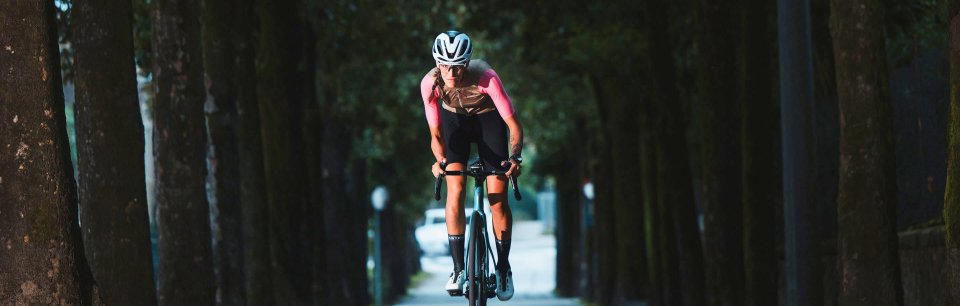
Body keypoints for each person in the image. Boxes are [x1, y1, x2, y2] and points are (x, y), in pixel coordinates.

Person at [420, 30, 523, 301]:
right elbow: (437, 135)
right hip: (455, 123)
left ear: (466, 63)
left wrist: (515, 157)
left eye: (457, 67)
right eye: (444, 65)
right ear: (436, 63)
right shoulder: (430, 84)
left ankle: (502, 268)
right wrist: (440, 161)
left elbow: (513, 125)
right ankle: (458, 270)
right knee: (455, 187)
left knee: (497, 198)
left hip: (489, 120)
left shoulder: (487, 78)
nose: (451, 73)